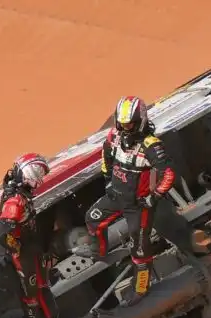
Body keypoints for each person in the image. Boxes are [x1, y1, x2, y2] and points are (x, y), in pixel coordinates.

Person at [74, 95, 177, 307]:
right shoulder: (115, 136)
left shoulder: (151, 146)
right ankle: (100, 251)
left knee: (139, 247)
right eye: (121, 123)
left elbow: (168, 175)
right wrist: (107, 179)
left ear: (139, 120)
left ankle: (141, 288)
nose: (124, 128)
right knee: (92, 219)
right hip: (116, 196)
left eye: (128, 123)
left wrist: (154, 197)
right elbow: (106, 155)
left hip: (139, 206)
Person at [0, 153, 68, 318]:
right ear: (29, 174)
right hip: (24, 255)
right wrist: (17, 248)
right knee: (32, 294)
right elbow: (2, 234)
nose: (40, 180)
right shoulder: (15, 202)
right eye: (38, 175)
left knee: (42, 286)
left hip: (32, 249)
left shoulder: (21, 196)